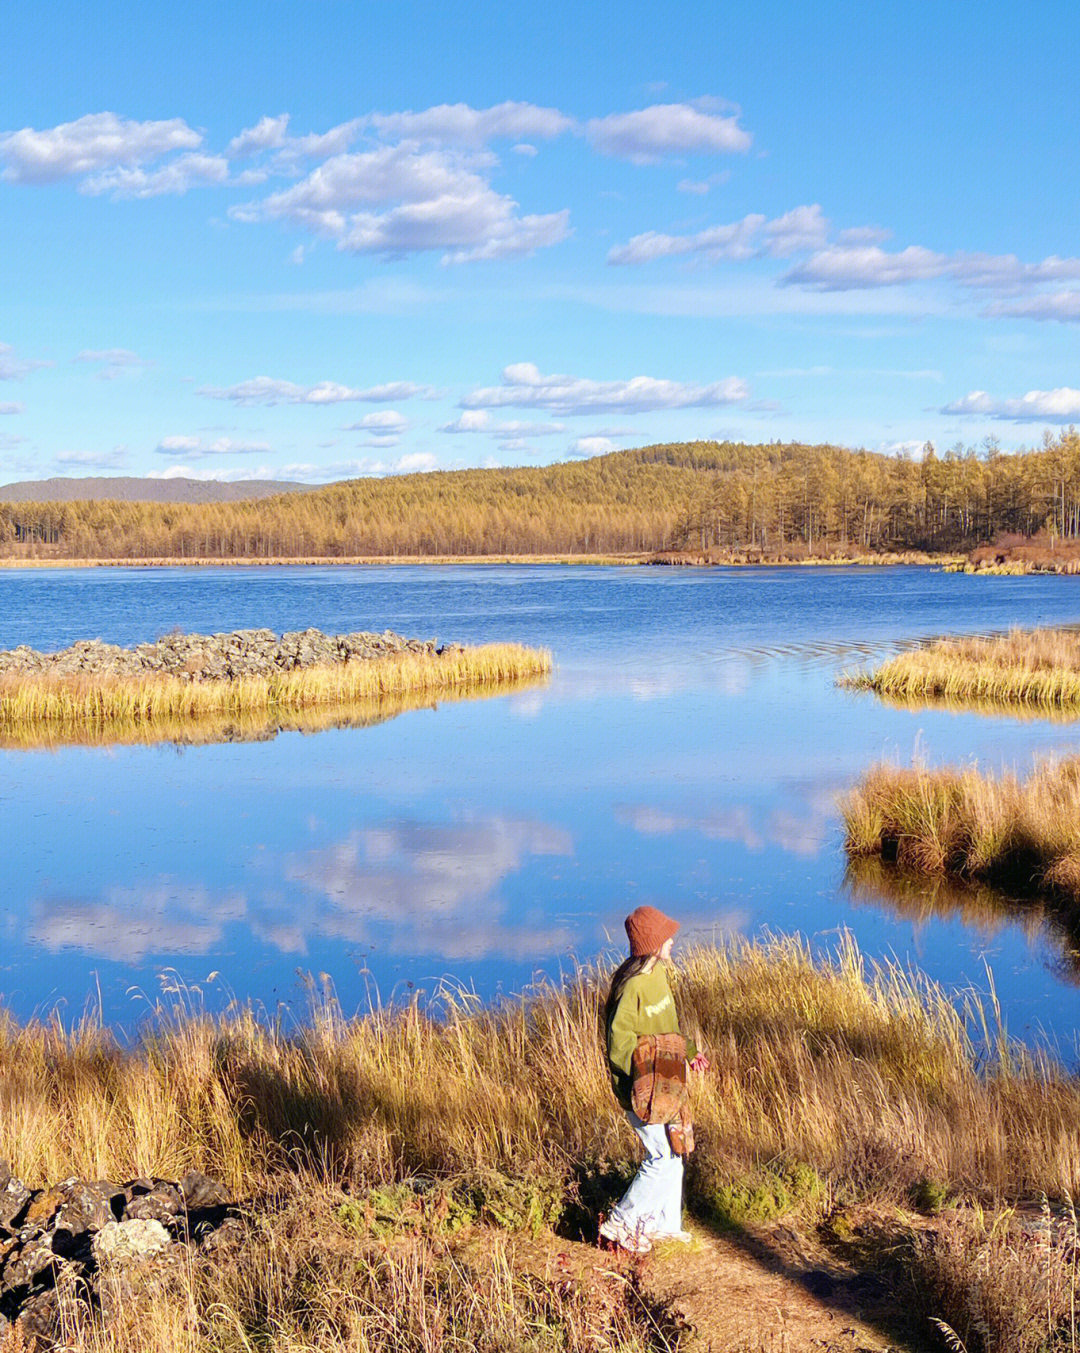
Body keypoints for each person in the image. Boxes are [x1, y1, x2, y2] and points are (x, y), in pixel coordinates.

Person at [600, 905, 708, 1255]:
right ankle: (620, 1225)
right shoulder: (631, 988)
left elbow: (669, 1030)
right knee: (660, 1157)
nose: (673, 941)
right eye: (667, 937)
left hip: (670, 1083)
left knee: (676, 1150)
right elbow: (619, 1045)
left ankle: (664, 1227)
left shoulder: (660, 975)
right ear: (652, 944)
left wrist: (689, 1052)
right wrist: (641, 1080)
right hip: (642, 1092)